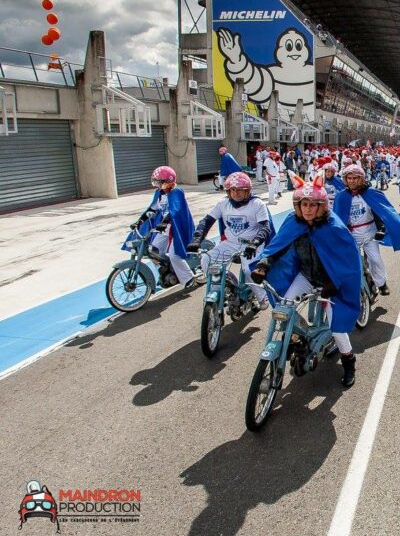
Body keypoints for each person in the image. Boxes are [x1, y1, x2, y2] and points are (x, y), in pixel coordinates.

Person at [251, 176, 362, 387]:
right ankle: (298, 340)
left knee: (337, 328)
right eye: (304, 204)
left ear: (322, 206)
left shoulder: (334, 227)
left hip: (330, 282)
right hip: (305, 276)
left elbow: (348, 261)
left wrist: (333, 284)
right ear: (297, 205)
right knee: (283, 310)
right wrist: (263, 265)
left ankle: (349, 360)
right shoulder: (293, 222)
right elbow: (278, 246)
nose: (308, 209)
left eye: (313, 204)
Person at [188, 171, 273, 308]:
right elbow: (207, 221)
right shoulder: (223, 203)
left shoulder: (257, 204)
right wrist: (197, 239)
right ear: (228, 191)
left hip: (252, 246)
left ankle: (262, 298)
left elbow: (266, 227)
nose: (236, 193)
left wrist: (255, 243)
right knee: (206, 259)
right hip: (230, 243)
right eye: (232, 190)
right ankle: (224, 283)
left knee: (248, 270)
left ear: (248, 191)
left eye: (240, 190)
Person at [331, 164, 400, 297]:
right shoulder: (341, 196)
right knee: (351, 262)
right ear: (345, 180)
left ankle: (381, 284)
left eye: (355, 178)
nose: (352, 180)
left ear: (361, 179)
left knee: (375, 260)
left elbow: (381, 212)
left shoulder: (370, 193)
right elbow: (336, 217)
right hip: (351, 235)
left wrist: (381, 228)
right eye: (349, 178)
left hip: (369, 233)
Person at [127, 166, 198, 288]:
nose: (158, 185)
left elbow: (175, 210)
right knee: (152, 251)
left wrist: (165, 222)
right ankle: (166, 271)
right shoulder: (159, 194)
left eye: (160, 182)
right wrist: (139, 222)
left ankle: (188, 278)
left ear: (169, 181)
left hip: (176, 229)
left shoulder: (177, 192)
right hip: (164, 229)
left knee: (175, 255)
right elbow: (151, 209)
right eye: (157, 182)